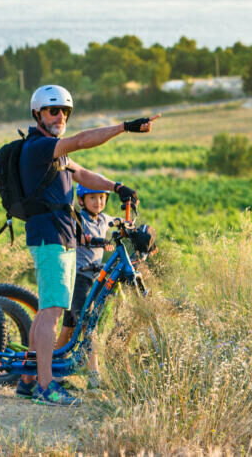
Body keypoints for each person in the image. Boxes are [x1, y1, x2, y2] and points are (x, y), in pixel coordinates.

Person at [16, 84, 158, 406]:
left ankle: (27, 380)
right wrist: (125, 127)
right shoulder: (39, 147)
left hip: (60, 236)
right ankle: (45, 386)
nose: (61, 116)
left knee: (45, 312)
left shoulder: (56, 152)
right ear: (38, 113)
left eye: (65, 111)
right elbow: (81, 142)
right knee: (53, 313)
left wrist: (116, 186)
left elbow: (81, 173)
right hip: (50, 236)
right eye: (54, 110)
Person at [54, 184, 115, 389]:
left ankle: (68, 375)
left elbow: (121, 223)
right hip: (78, 279)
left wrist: (133, 224)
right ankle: (83, 376)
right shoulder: (77, 219)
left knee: (79, 328)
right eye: (93, 198)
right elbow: (78, 237)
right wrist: (97, 241)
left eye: (101, 198)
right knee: (79, 326)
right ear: (82, 201)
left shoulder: (104, 219)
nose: (98, 202)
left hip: (94, 280)